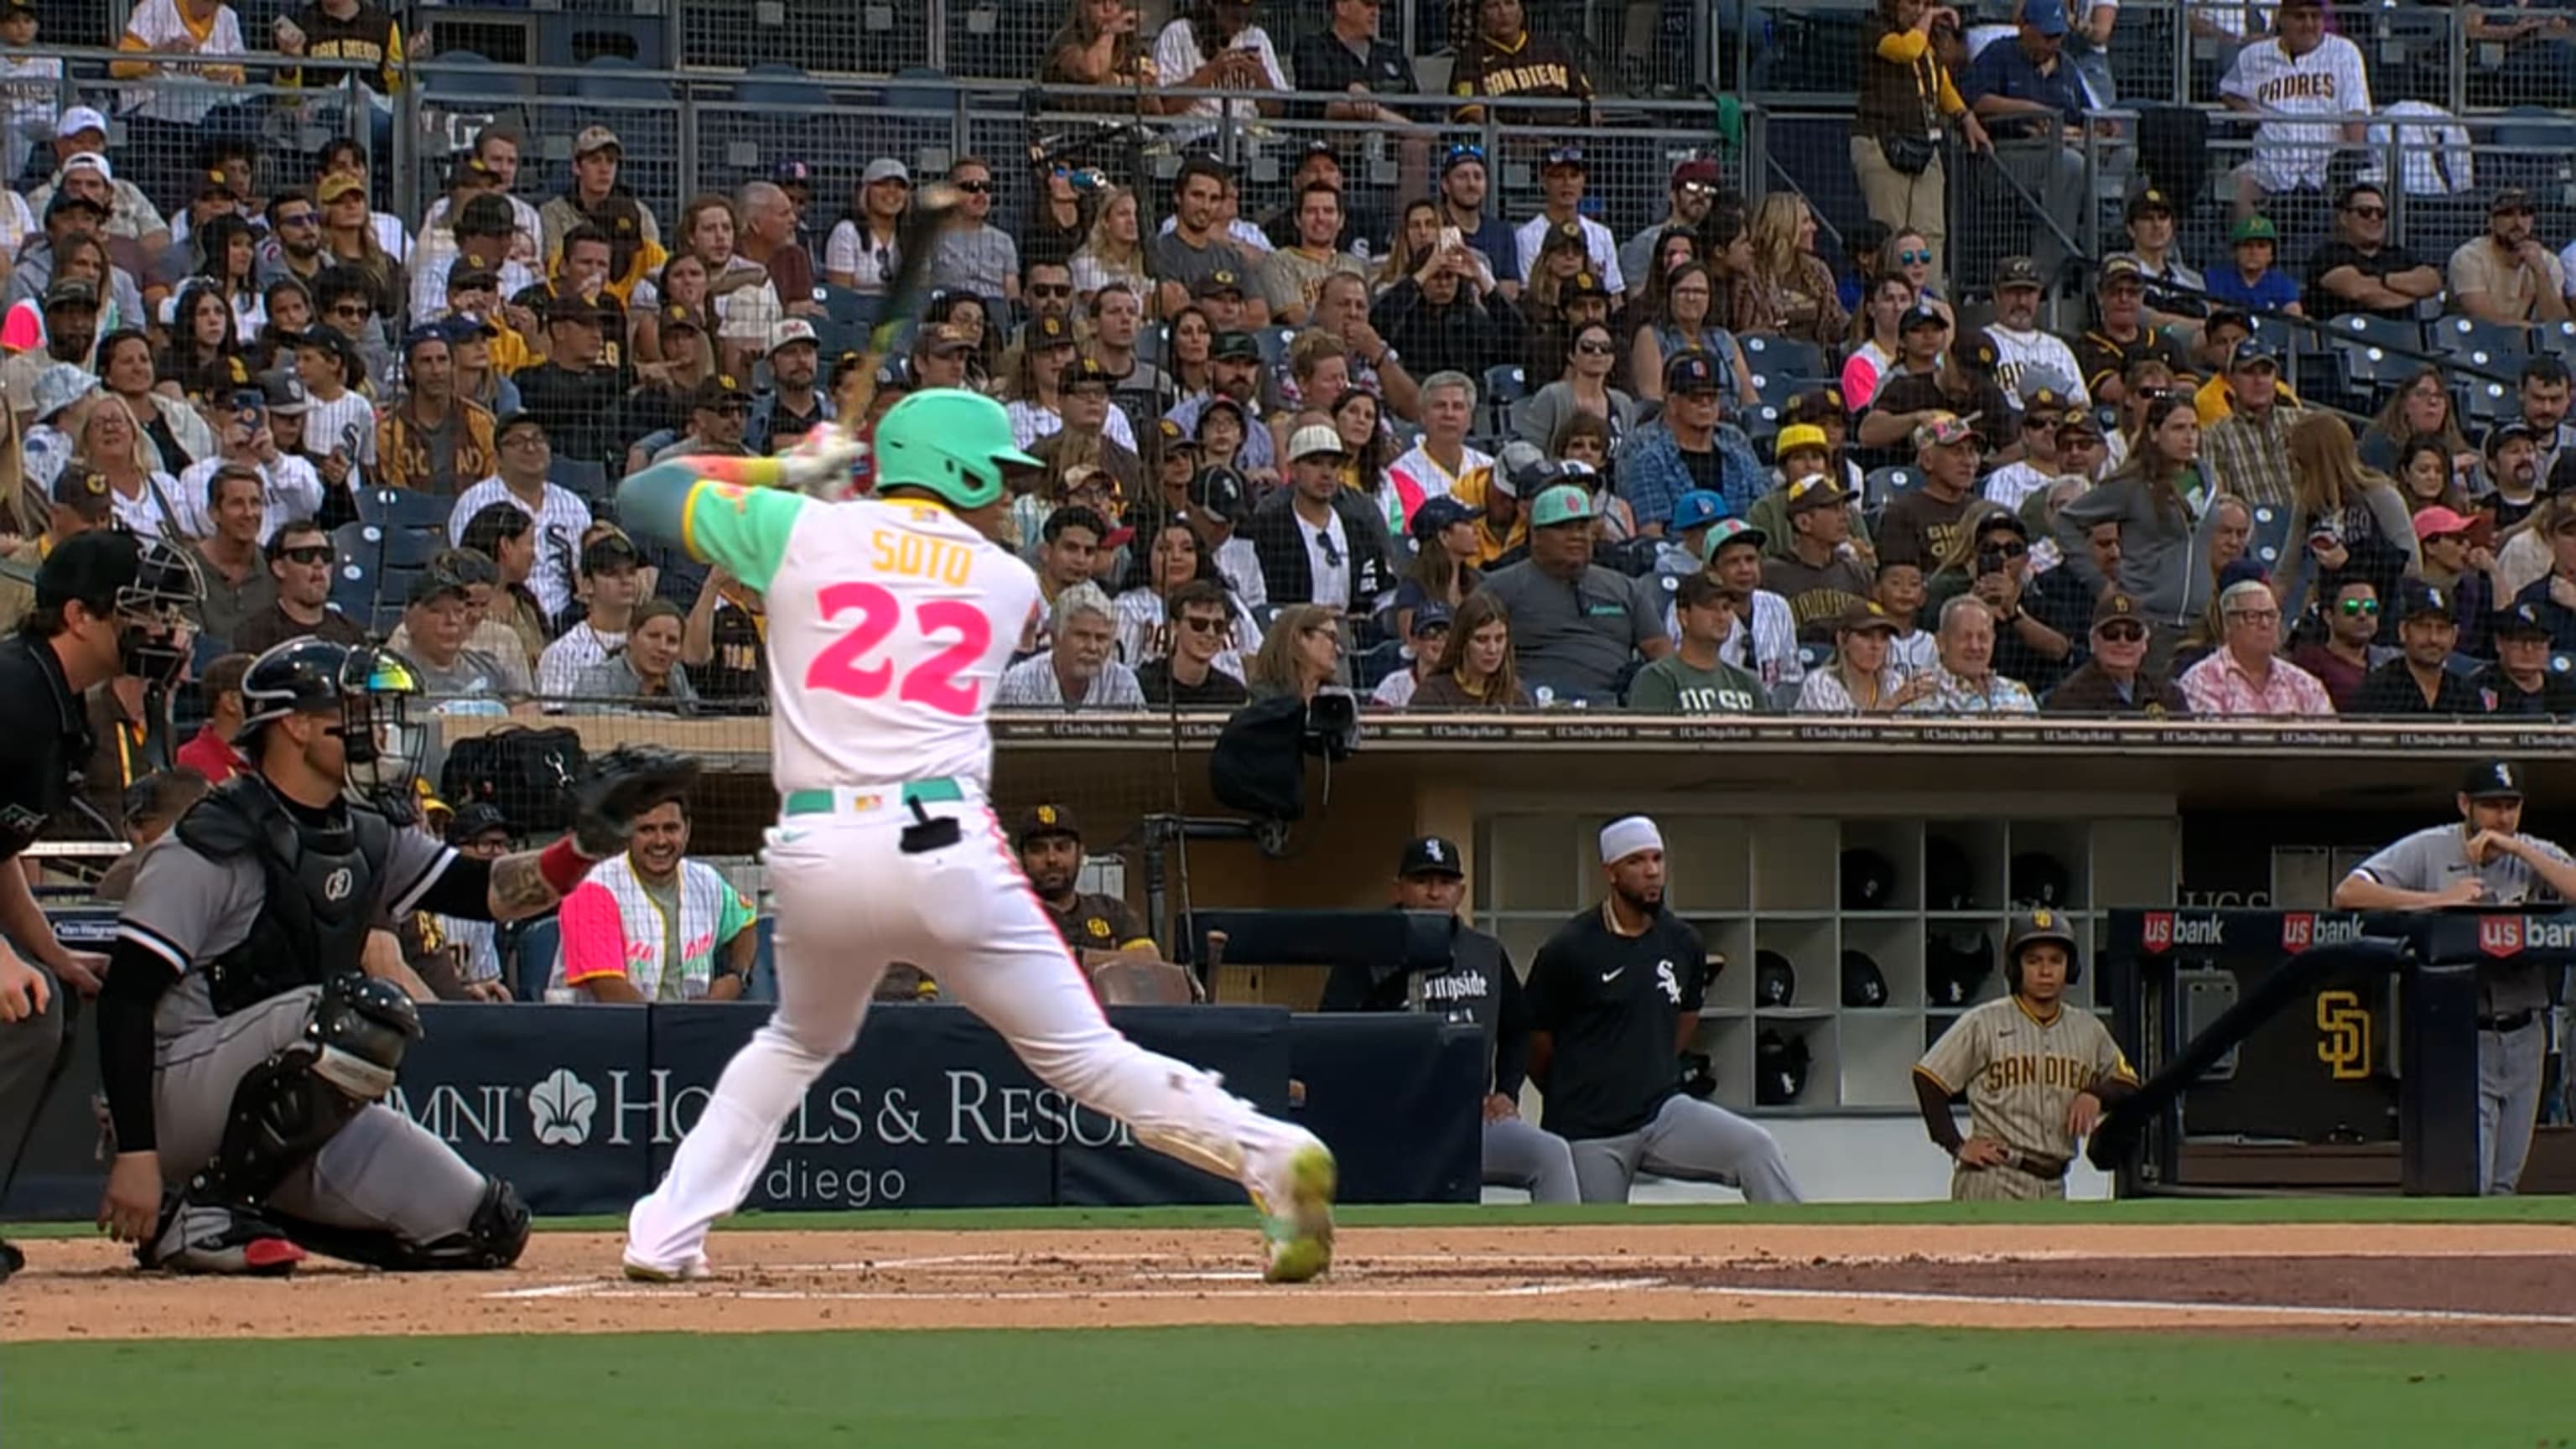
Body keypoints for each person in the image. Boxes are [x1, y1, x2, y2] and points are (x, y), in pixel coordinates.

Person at [610, 388, 1337, 1282]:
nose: (1009, 493)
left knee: (795, 1043)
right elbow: (907, 558)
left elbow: (642, 499)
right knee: (1086, 1056)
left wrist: (785, 471)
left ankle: (665, 1235)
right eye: (997, 474)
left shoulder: (805, 529)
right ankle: (1268, 1152)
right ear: (952, 468)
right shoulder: (1007, 583)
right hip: (949, 845)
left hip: (824, 849)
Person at [95, 640, 683, 1274]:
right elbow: (126, 998)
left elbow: (489, 894)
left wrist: (588, 844)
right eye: (352, 711)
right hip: (176, 1093)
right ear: (293, 725)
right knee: (356, 1014)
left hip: (284, 1097)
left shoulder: (366, 831)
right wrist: (137, 1154)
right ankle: (203, 1211)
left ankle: (238, 1211)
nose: (372, 728)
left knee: (484, 1227)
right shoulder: (213, 842)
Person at [0, 532, 200, 1282]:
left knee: (43, 1006)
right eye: (141, 612)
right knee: (23, 1015)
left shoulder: (55, 702)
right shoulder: (15, 689)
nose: (162, 632)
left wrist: (48, 954)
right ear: (80, 616)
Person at [1524, 817, 1800, 1204]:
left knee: (1756, 1148)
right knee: (1593, 1240)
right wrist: (1578, 1088)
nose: (1652, 871)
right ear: (1611, 872)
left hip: (1661, 1112)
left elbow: (1684, 1020)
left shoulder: (1682, 941)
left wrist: (1647, 1070)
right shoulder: (1568, 949)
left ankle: (1800, 1254)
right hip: (1588, 1127)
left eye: (1657, 858)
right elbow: (1534, 1042)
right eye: (1636, 861)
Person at [2332, 761, 2573, 1195]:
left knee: (2505, 1182)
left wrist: (2519, 850)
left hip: (2525, 1031)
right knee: (2473, 1181)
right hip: (2464, 1030)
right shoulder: (2430, 848)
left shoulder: (2532, 852)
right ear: (2465, 804)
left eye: (2511, 806)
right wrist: (2436, 900)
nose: (2502, 817)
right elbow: (2349, 892)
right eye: (2490, 807)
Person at [1317, 836, 1577, 1204]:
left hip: (1469, 1122)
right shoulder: (1366, 953)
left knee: (1550, 1155)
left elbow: (1518, 1027)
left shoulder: (1485, 953)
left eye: (1445, 883)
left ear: (1461, 891)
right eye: (1422, 882)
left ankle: (1556, 1257)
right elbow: (1332, 1038)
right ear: (1400, 888)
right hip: (1391, 1124)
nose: (1434, 893)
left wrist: (1506, 1091)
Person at [1913, 911, 2136, 1201]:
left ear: (2070, 967)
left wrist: (2095, 1093)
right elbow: (1928, 1078)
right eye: (2034, 961)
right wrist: (1956, 1145)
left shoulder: (2089, 1030)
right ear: (2016, 967)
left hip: (2054, 1182)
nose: (2046, 971)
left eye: (2055, 960)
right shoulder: (1984, 1022)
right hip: (1994, 1178)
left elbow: (2130, 1084)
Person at [552, 792, 754, 1002]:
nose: (660, 841)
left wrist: (737, 977)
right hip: (606, 1030)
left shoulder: (706, 881)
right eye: (647, 830)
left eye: (670, 828)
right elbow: (613, 995)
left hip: (690, 1026)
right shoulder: (591, 890)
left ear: (687, 829)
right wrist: (684, 1027)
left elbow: (746, 922)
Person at [2179, 578, 2336, 715]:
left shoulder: (2304, 685)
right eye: (2253, 616)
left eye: (2271, 615)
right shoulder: (2200, 682)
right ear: (2228, 624)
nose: (2265, 624)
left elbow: (2331, 741)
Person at [1628, 573, 1768, 714]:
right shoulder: (1657, 678)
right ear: (1684, 617)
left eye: (1726, 608)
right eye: (1711, 608)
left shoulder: (1748, 683)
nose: (1721, 617)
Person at [2042, 590, 2189, 714]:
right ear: (2093, 642)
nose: (2122, 642)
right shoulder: (2069, 699)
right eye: (2111, 633)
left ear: (2145, 643)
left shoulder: (2168, 695)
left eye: (2133, 634)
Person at [2351, 579, 2481, 715]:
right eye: (2423, 627)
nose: (2433, 638)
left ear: (2454, 635)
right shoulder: (2377, 691)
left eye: (2442, 629)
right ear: (2403, 631)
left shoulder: (2467, 695)